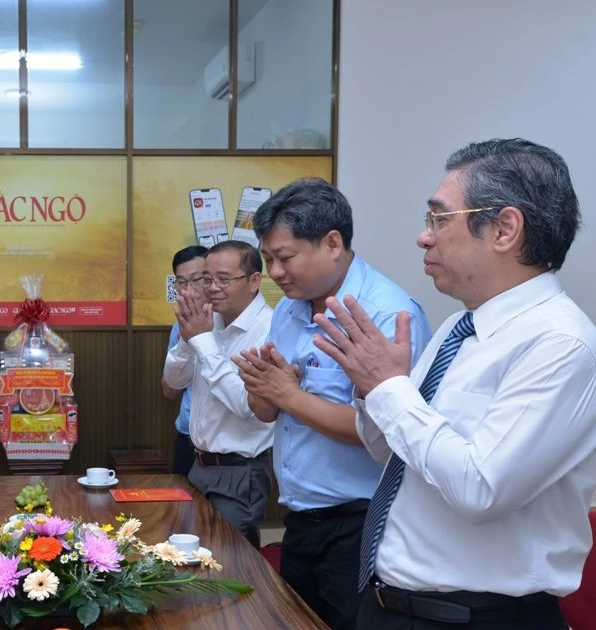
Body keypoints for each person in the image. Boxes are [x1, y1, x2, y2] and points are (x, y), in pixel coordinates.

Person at [312, 138, 596, 628]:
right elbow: (391, 451)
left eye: (439, 219)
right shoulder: (462, 330)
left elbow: (482, 489)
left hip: (476, 617)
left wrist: (390, 390)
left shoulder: (562, 346)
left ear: (504, 229)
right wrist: (372, 389)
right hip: (391, 605)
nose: (423, 236)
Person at [232, 178, 431, 629]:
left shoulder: (386, 314)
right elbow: (268, 410)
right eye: (268, 260)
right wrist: (264, 389)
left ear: (333, 243)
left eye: (285, 258)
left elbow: (389, 431)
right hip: (300, 516)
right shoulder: (289, 307)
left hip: (362, 524)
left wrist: (290, 395)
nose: (276, 272)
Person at [162, 239, 275, 546]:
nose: (212, 287)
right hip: (199, 465)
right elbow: (172, 383)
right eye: (207, 279)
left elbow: (247, 406)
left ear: (254, 281)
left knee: (231, 565)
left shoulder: (269, 329)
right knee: (193, 560)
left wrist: (204, 343)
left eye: (224, 279)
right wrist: (188, 340)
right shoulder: (210, 322)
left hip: (239, 471)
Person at [161, 245, 208, 476]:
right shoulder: (178, 327)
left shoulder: (230, 324)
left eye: (197, 279)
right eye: (181, 282)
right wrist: (184, 343)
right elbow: (169, 391)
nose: (189, 290)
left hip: (224, 451)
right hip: (186, 439)